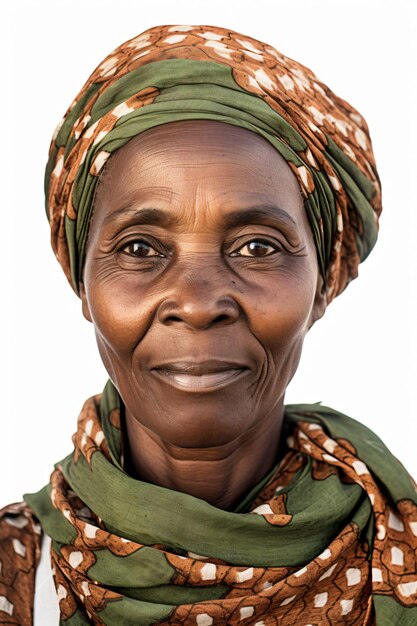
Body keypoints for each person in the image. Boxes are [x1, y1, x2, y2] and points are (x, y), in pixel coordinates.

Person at [1, 24, 416, 626]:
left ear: (323, 282)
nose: (197, 304)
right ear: (82, 281)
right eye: (141, 249)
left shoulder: (396, 547)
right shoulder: (17, 571)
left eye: (256, 247)